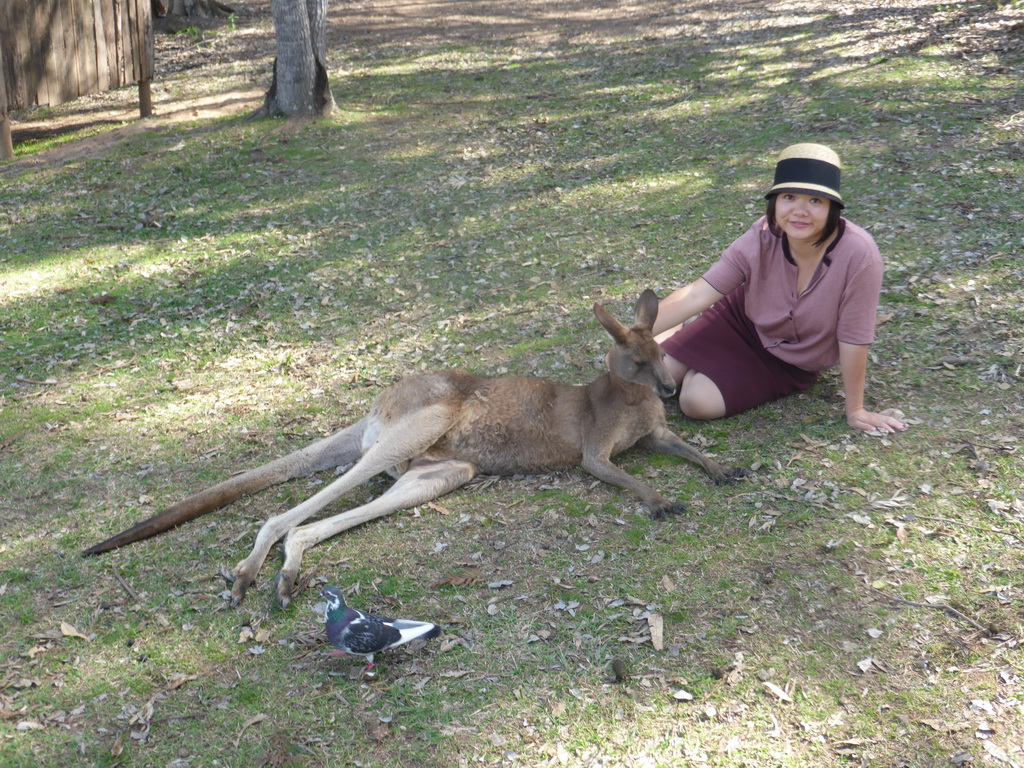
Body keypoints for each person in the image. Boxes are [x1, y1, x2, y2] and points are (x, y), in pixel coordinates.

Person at [654, 143, 906, 435]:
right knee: (639, 376)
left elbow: (853, 337)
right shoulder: (762, 234)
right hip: (739, 323)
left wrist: (855, 410)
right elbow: (699, 292)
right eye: (788, 197)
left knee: (696, 403)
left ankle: (691, 353)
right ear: (774, 203)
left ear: (832, 208)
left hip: (789, 361)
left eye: (815, 200)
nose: (799, 211)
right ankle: (678, 340)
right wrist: (633, 334)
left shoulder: (859, 256)